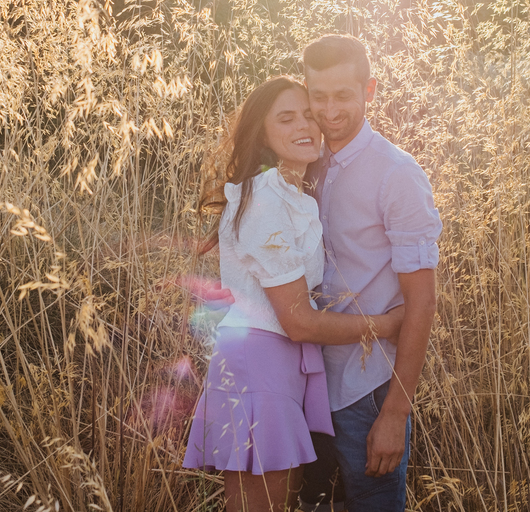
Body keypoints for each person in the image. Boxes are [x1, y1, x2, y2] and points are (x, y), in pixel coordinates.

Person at [184, 76, 406, 512]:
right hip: (261, 365)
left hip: (276, 365)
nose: (305, 125)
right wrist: (388, 324)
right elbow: (299, 321)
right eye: (286, 118)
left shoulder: (291, 195)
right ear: (262, 134)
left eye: (308, 114)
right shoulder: (265, 200)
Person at [301, 35, 442, 512]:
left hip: (369, 388)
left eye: (343, 94)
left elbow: (421, 302)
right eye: (318, 96)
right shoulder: (305, 162)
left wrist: (395, 413)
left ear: (370, 90)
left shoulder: (396, 174)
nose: (329, 108)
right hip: (308, 378)